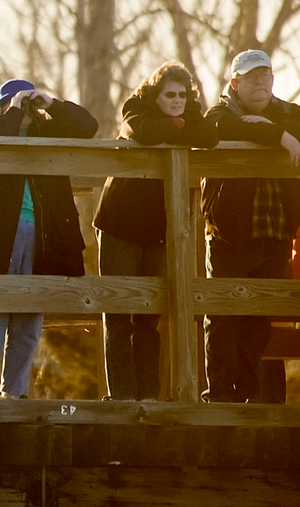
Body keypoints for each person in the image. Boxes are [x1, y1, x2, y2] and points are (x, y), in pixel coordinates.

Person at [93, 62, 218, 401]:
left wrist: (181, 119)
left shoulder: (190, 114)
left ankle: (148, 395)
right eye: (170, 95)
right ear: (155, 95)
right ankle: (121, 396)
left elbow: (208, 137)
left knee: (150, 316)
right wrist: (180, 124)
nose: (177, 100)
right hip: (120, 221)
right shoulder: (135, 107)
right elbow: (142, 131)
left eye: (182, 95)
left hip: (159, 228)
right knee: (118, 314)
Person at [0, 79, 98, 399]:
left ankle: (15, 394)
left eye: (26, 103)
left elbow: (88, 126)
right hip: (2, 235)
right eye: (13, 104)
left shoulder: (49, 133)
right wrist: (13, 113)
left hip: (44, 236)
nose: (23, 110)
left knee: (30, 320)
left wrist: (50, 104)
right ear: (1, 109)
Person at [201, 49, 300, 403]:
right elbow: (215, 127)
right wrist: (277, 136)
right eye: (252, 76)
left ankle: (253, 395)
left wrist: (271, 128)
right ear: (234, 83)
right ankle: (220, 397)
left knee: (261, 320)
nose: (261, 81)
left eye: (266, 75)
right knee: (225, 317)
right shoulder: (220, 113)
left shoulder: (288, 114)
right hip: (230, 234)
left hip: (275, 233)